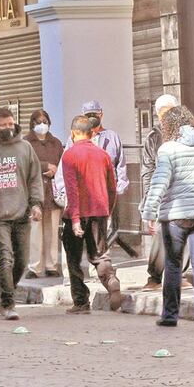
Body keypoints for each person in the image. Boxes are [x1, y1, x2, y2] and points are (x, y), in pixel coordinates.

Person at [141, 105, 194, 329]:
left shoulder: (167, 149)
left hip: (176, 215)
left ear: (168, 126)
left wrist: (149, 212)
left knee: (173, 264)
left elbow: (159, 182)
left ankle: (169, 315)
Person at [0, 107, 43, 320]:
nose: (7, 128)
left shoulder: (25, 148)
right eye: (2, 125)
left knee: (22, 261)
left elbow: (34, 178)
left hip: (21, 214)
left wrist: (36, 204)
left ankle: (8, 289)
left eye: (10, 124)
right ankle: (8, 303)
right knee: (5, 259)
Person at [60, 115, 123, 314]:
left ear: (73, 133)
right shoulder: (103, 155)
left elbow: (72, 189)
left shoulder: (69, 155)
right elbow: (112, 186)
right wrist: (108, 209)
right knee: (99, 255)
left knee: (73, 258)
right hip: (100, 212)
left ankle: (81, 301)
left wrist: (76, 219)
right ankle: (111, 280)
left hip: (77, 213)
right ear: (91, 133)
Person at [140, 94, 180, 291]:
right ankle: (155, 276)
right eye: (162, 112)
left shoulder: (186, 133)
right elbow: (148, 170)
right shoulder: (154, 138)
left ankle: (182, 275)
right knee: (160, 234)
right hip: (162, 193)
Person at [24, 110, 64, 278]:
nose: (42, 125)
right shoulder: (26, 143)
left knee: (52, 230)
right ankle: (34, 267)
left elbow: (63, 162)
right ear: (32, 124)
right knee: (35, 231)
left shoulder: (56, 143)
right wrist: (45, 166)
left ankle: (52, 265)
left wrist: (56, 170)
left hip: (53, 191)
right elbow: (24, 162)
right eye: (38, 121)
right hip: (34, 192)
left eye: (45, 121)